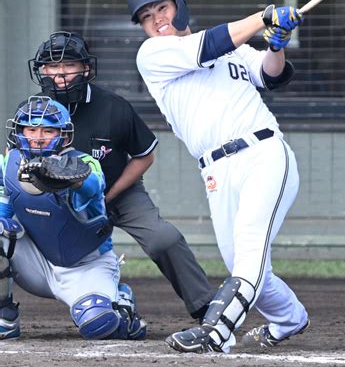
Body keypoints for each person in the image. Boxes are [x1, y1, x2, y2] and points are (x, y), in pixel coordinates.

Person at [127, 0, 310, 353]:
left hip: (262, 153)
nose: (157, 19)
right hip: (215, 172)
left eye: (162, 7)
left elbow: (271, 75)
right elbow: (209, 45)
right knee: (249, 268)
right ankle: (290, 319)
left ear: (179, 5)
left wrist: (277, 43)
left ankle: (216, 333)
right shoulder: (154, 54)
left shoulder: (232, 47)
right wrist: (266, 17)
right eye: (147, 16)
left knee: (248, 253)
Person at [28, 31, 214, 322]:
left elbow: (145, 155)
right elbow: (15, 160)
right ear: (41, 70)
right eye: (52, 66)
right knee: (6, 232)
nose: (59, 74)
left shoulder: (113, 106)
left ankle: (206, 307)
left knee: (163, 239)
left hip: (117, 191)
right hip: (58, 202)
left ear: (86, 68)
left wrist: (108, 196)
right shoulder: (33, 111)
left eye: (69, 65)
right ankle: (6, 310)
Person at [0, 96, 146, 340]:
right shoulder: (9, 163)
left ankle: (121, 305)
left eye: (48, 130)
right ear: (19, 131)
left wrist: (72, 179)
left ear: (64, 136)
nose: (38, 136)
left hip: (85, 265)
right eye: (31, 129)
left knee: (98, 326)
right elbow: (4, 204)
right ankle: (5, 316)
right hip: (35, 263)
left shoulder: (84, 163)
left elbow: (92, 186)